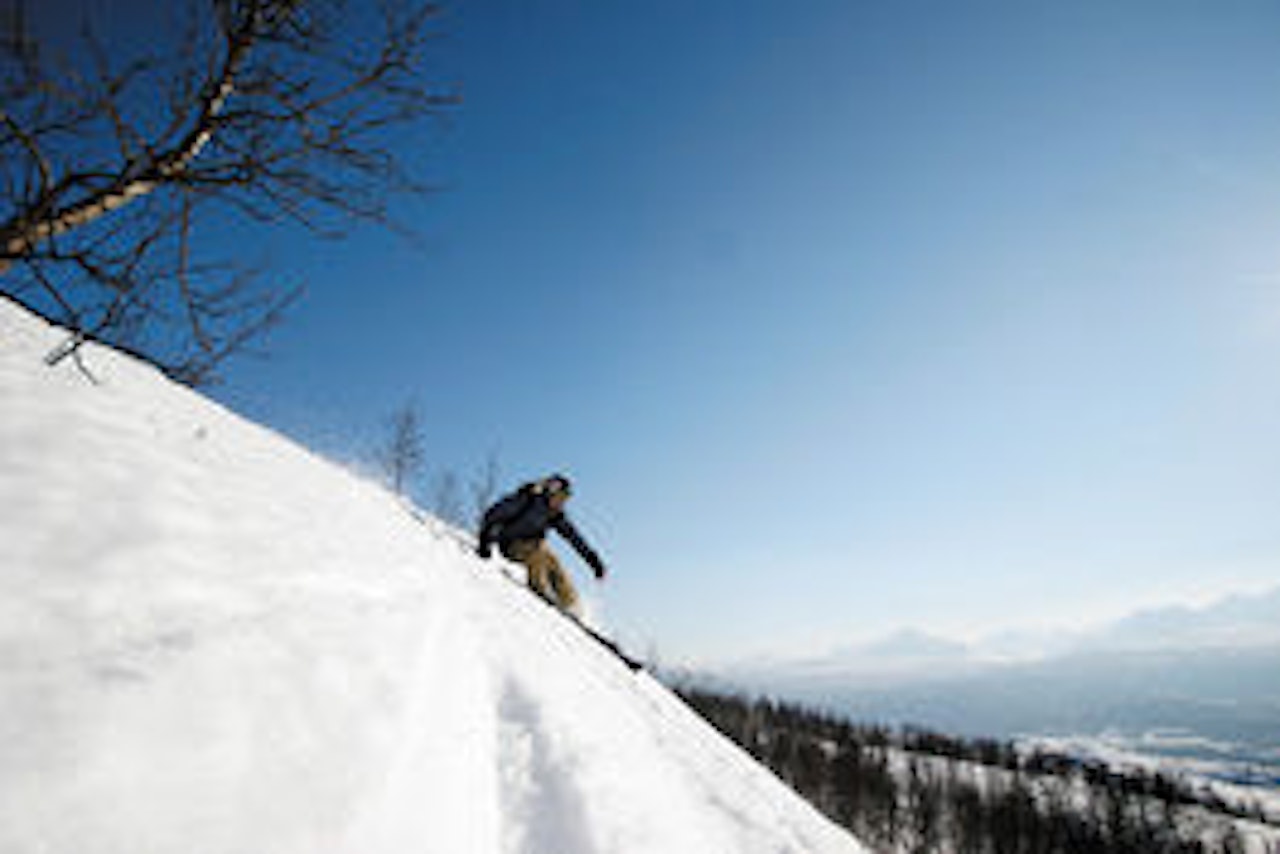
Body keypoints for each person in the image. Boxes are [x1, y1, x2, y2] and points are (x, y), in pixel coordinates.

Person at [476, 474, 607, 617]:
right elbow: (493, 514)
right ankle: (538, 589)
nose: (561, 503)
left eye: (564, 500)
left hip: (533, 545)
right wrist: (484, 542)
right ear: (552, 492)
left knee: (552, 560)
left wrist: (593, 561)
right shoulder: (528, 499)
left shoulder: (555, 515)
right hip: (510, 544)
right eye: (560, 498)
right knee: (538, 552)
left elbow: (574, 539)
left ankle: (571, 604)